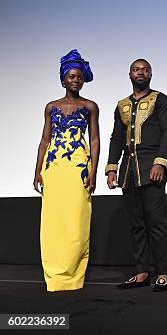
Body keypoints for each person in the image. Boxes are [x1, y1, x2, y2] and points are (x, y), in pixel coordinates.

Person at [106, 59, 167, 292]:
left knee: (156, 224)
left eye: (145, 70)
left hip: (151, 169)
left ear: (151, 74)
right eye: (136, 70)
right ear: (129, 74)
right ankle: (142, 272)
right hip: (128, 172)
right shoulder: (121, 104)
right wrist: (112, 167)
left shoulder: (160, 99)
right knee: (136, 225)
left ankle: (163, 273)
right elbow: (116, 137)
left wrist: (160, 163)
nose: (140, 73)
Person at [34, 49, 100, 291]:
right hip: (54, 167)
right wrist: (37, 170)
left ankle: (74, 276)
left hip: (78, 167)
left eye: (79, 76)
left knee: (77, 221)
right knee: (53, 222)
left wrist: (93, 169)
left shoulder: (90, 106)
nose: (76, 80)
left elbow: (94, 139)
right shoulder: (51, 107)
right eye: (71, 76)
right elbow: (44, 140)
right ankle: (54, 275)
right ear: (63, 79)